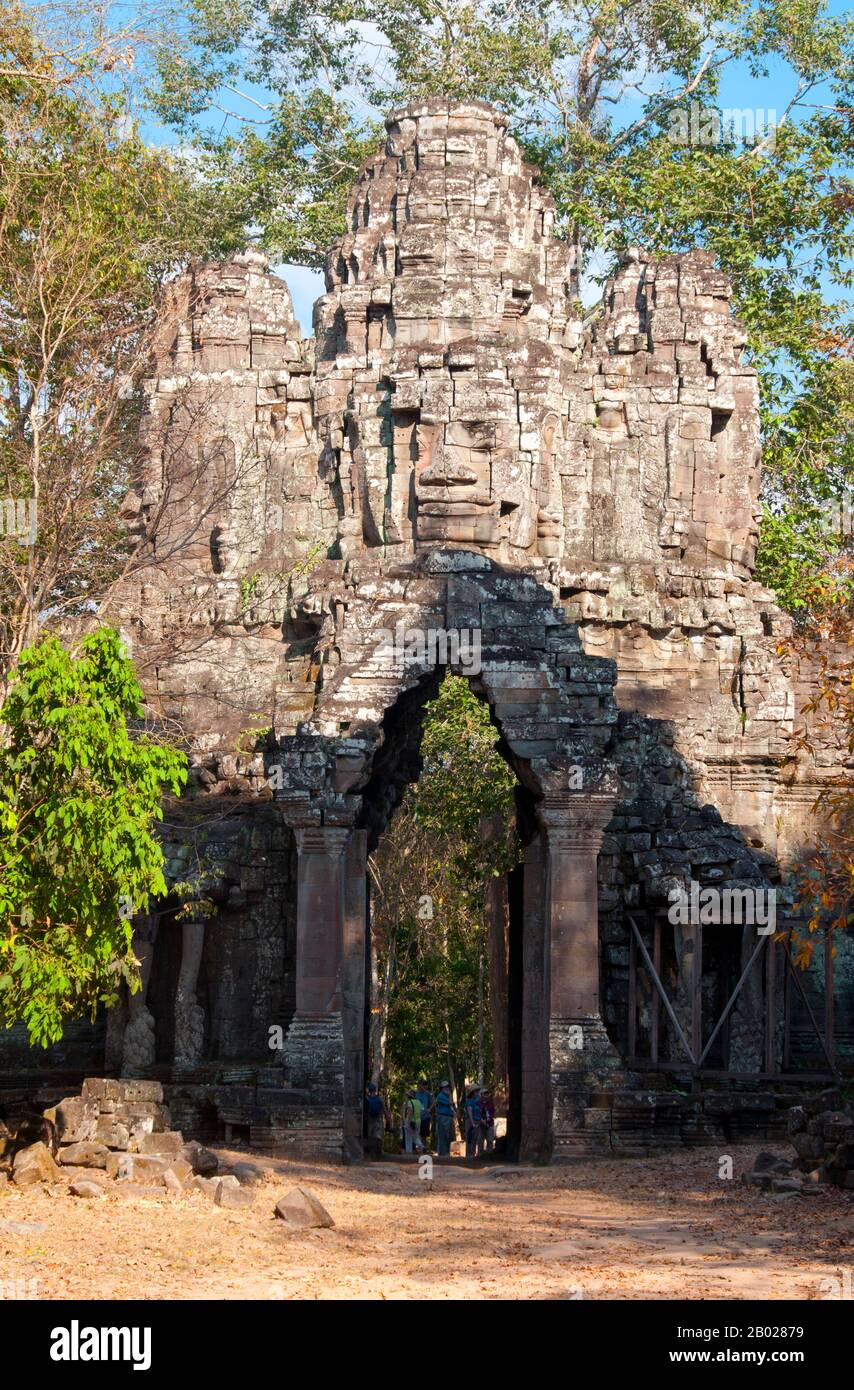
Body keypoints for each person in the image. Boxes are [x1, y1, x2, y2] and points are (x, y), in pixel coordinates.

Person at [364, 1082, 388, 1158]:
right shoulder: (380, 1099)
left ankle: (371, 1153)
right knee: (377, 1136)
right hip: (378, 1119)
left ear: (369, 1090)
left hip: (369, 1119)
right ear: (375, 1090)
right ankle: (378, 1152)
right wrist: (388, 1117)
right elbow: (384, 1109)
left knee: (370, 1135)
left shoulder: (367, 1099)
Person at [432, 1081, 456, 1157]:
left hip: (449, 1117)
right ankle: (443, 1154)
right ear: (442, 1089)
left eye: (448, 1087)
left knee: (450, 1136)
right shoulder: (440, 1096)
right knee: (443, 1135)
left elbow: (451, 1105)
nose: (447, 1088)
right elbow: (450, 1103)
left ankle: (446, 1152)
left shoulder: (447, 1096)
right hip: (443, 1117)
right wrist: (450, 1096)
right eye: (445, 1087)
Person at [402, 1087, 424, 1154]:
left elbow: (410, 1113)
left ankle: (409, 1153)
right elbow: (421, 1111)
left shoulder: (409, 1102)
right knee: (416, 1137)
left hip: (411, 1121)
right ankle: (421, 1146)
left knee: (408, 1138)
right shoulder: (418, 1102)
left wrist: (408, 1123)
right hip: (418, 1121)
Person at [464, 1084, 483, 1160]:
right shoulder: (469, 1100)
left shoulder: (479, 1099)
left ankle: (473, 1154)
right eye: (476, 1091)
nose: (477, 1092)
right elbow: (469, 1112)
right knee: (469, 1138)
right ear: (472, 1092)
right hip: (470, 1120)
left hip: (478, 1120)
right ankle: (469, 1155)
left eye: (478, 1091)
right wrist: (472, 1123)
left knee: (475, 1138)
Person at [416, 1077, 433, 1150]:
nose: (424, 1086)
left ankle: (424, 1149)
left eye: (425, 1085)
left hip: (426, 1116)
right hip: (416, 1117)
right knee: (417, 1133)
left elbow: (433, 1103)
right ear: (419, 1085)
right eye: (423, 1084)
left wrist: (429, 1109)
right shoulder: (415, 1093)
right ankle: (419, 1148)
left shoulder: (428, 1094)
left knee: (424, 1134)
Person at [480, 1088, 496, 1154]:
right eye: (484, 1094)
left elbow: (492, 1113)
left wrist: (487, 1121)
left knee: (490, 1140)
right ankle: (480, 1155)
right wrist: (481, 1120)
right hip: (480, 1124)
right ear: (481, 1095)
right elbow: (477, 1113)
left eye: (487, 1094)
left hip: (490, 1124)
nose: (486, 1095)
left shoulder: (490, 1103)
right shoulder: (478, 1103)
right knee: (480, 1141)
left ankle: (490, 1155)